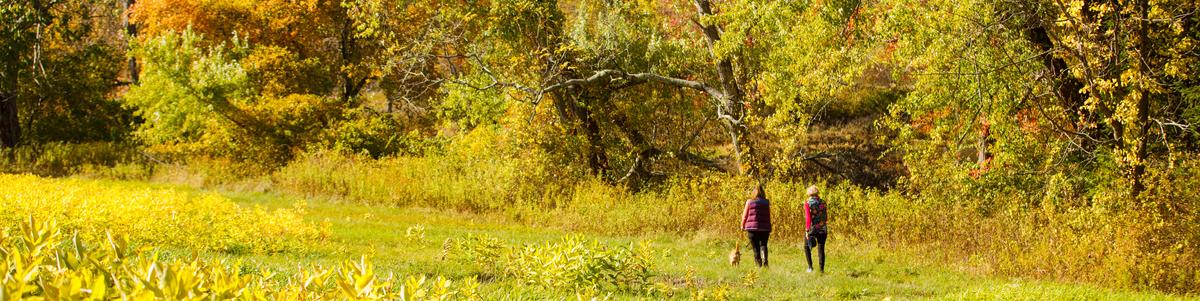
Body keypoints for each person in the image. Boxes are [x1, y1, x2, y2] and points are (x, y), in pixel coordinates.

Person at [740, 184, 771, 267]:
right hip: (765, 228)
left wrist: (742, 225)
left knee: (755, 247)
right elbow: (768, 215)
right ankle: (765, 261)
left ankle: (758, 265)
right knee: (763, 245)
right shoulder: (766, 202)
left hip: (752, 228)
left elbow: (745, 215)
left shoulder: (749, 202)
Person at [804, 185, 828, 273]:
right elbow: (825, 217)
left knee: (806, 247)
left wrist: (807, 230)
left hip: (812, 229)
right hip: (823, 228)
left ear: (809, 193)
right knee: (821, 249)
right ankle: (821, 270)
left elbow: (808, 219)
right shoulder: (823, 202)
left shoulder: (807, 203)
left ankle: (810, 267)